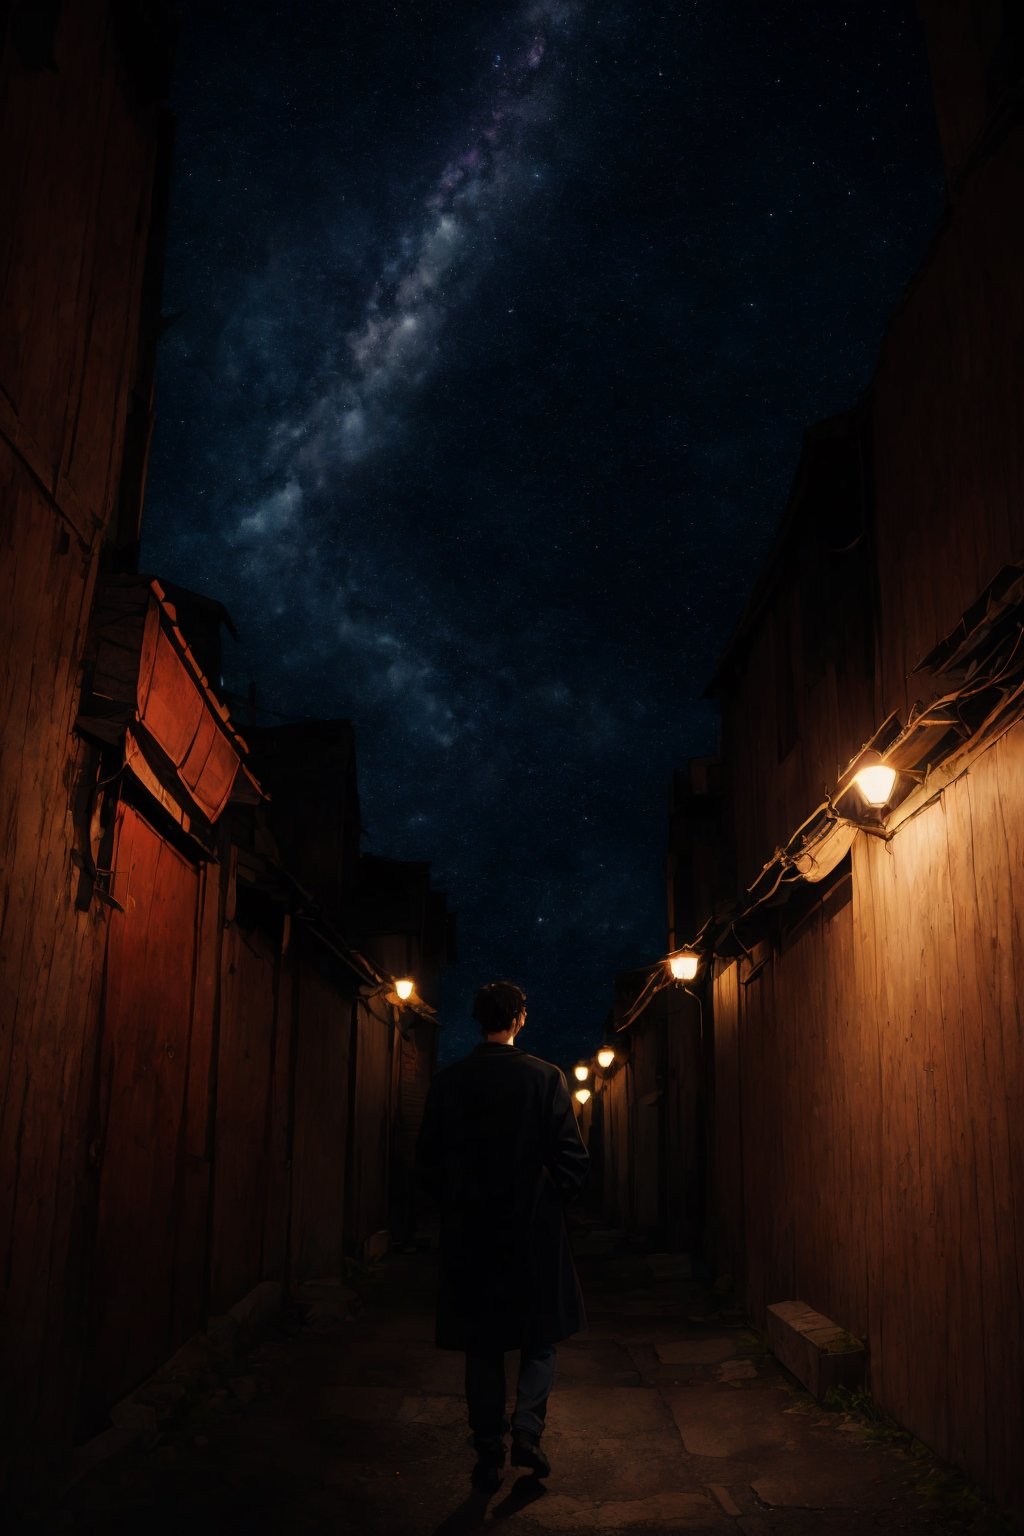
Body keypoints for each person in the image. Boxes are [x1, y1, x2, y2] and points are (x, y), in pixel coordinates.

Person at [416, 980, 589, 1493]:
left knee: (483, 1344)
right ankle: (528, 1432)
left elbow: (428, 1160)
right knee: (540, 1338)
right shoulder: (544, 1078)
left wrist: (452, 1207)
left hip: (472, 1235)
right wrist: (560, 1204)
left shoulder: (451, 1082)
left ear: (479, 1019)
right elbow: (571, 1160)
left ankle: (488, 1448)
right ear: (519, 1019)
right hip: (533, 1231)